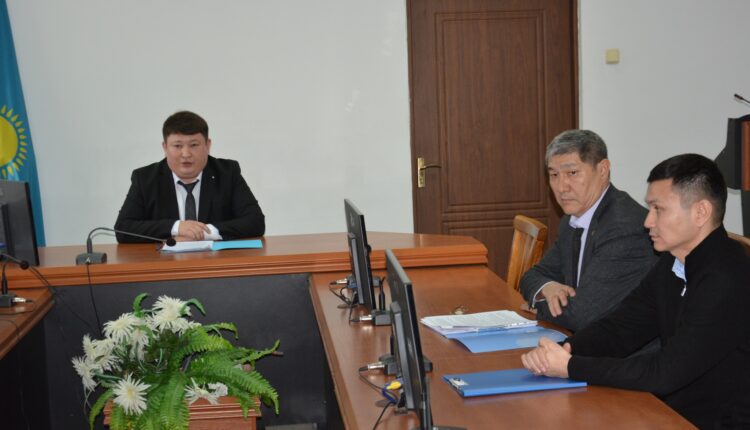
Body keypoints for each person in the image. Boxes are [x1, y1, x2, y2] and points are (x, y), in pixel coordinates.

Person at [521, 153, 750, 428]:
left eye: (658, 209)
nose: (647, 221)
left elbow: (665, 372)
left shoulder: (728, 278)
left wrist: (570, 366)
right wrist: (562, 350)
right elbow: (621, 328)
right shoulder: (673, 263)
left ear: (700, 212)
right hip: (669, 412)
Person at [519, 130, 656, 331]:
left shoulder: (624, 228)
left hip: (622, 348)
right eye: (554, 175)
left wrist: (537, 305)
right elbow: (532, 276)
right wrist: (547, 287)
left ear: (603, 170)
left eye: (572, 173)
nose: (561, 187)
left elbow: (580, 316)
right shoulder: (572, 220)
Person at [114, 111, 265, 243]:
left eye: (194, 145)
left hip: (215, 262)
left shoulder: (227, 173)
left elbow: (255, 222)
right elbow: (123, 229)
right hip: (165, 263)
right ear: (165, 147)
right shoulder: (145, 179)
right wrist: (176, 227)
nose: (186, 154)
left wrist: (204, 233)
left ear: (207, 145)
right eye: (177, 146)